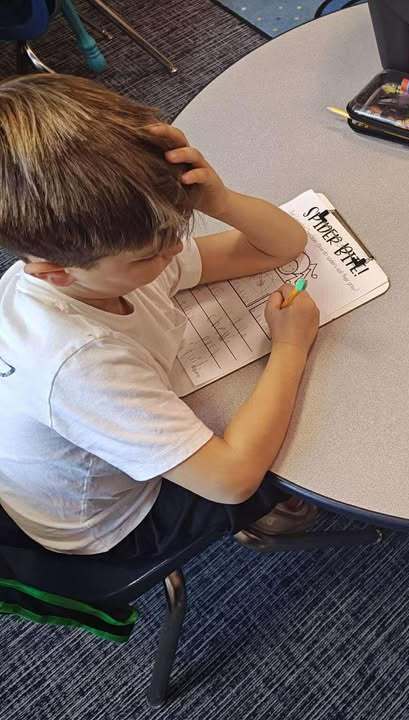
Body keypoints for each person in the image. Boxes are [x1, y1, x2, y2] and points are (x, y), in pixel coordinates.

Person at [0, 74, 322, 557]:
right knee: (288, 464)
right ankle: (265, 523)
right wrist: (291, 348)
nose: (175, 251)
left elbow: (282, 245)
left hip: (84, 447)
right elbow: (231, 481)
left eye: (174, 232)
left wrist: (220, 199)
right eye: (149, 255)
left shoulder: (107, 258)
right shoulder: (79, 365)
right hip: (108, 524)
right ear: (56, 274)